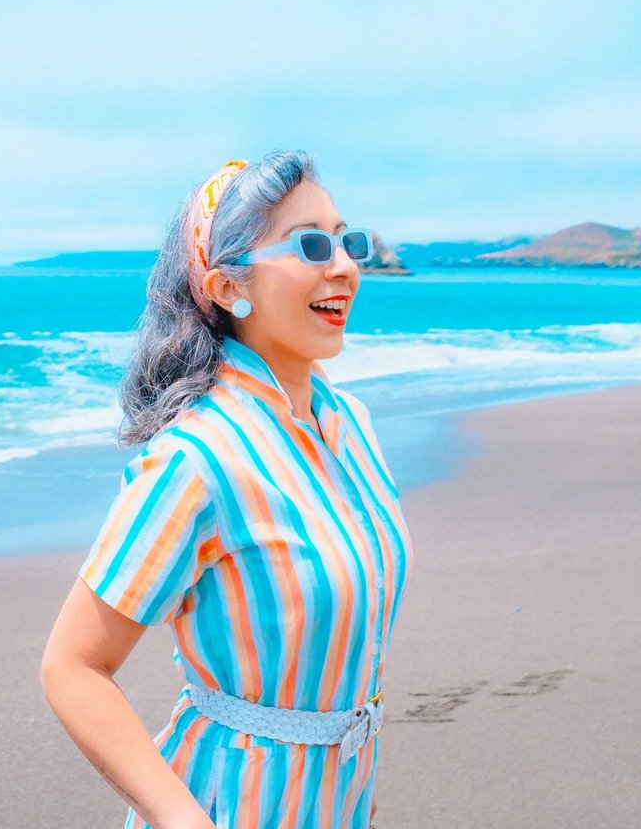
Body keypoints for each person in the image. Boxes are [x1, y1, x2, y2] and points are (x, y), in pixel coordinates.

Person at [40, 150, 413, 828]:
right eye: (309, 244)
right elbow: (73, 668)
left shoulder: (350, 424)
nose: (344, 265)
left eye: (345, 240)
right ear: (226, 286)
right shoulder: (198, 458)